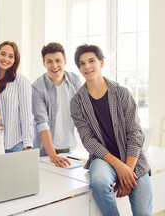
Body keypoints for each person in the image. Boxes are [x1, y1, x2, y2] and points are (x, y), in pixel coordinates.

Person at [70, 44, 152, 215]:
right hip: (103, 158)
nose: (87, 66)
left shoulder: (122, 93)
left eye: (91, 61)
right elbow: (88, 140)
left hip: (133, 158)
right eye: (82, 63)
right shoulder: (77, 102)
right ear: (79, 68)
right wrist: (118, 166)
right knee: (99, 181)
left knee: (144, 212)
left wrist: (127, 171)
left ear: (101, 63)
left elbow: (135, 134)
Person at [32, 42, 82, 167]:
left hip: (67, 148)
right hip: (44, 151)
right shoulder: (37, 87)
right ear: (44, 64)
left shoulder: (75, 80)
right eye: (49, 62)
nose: (54, 65)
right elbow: (42, 122)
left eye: (58, 60)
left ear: (65, 62)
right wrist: (52, 155)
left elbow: (86, 111)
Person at [0, 41, 33, 153]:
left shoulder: (21, 81)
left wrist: (27, 144)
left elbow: (26, 115)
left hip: (13, 144)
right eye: (3, 54)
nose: (6, 59)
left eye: (11, 56)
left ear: (15, 60)